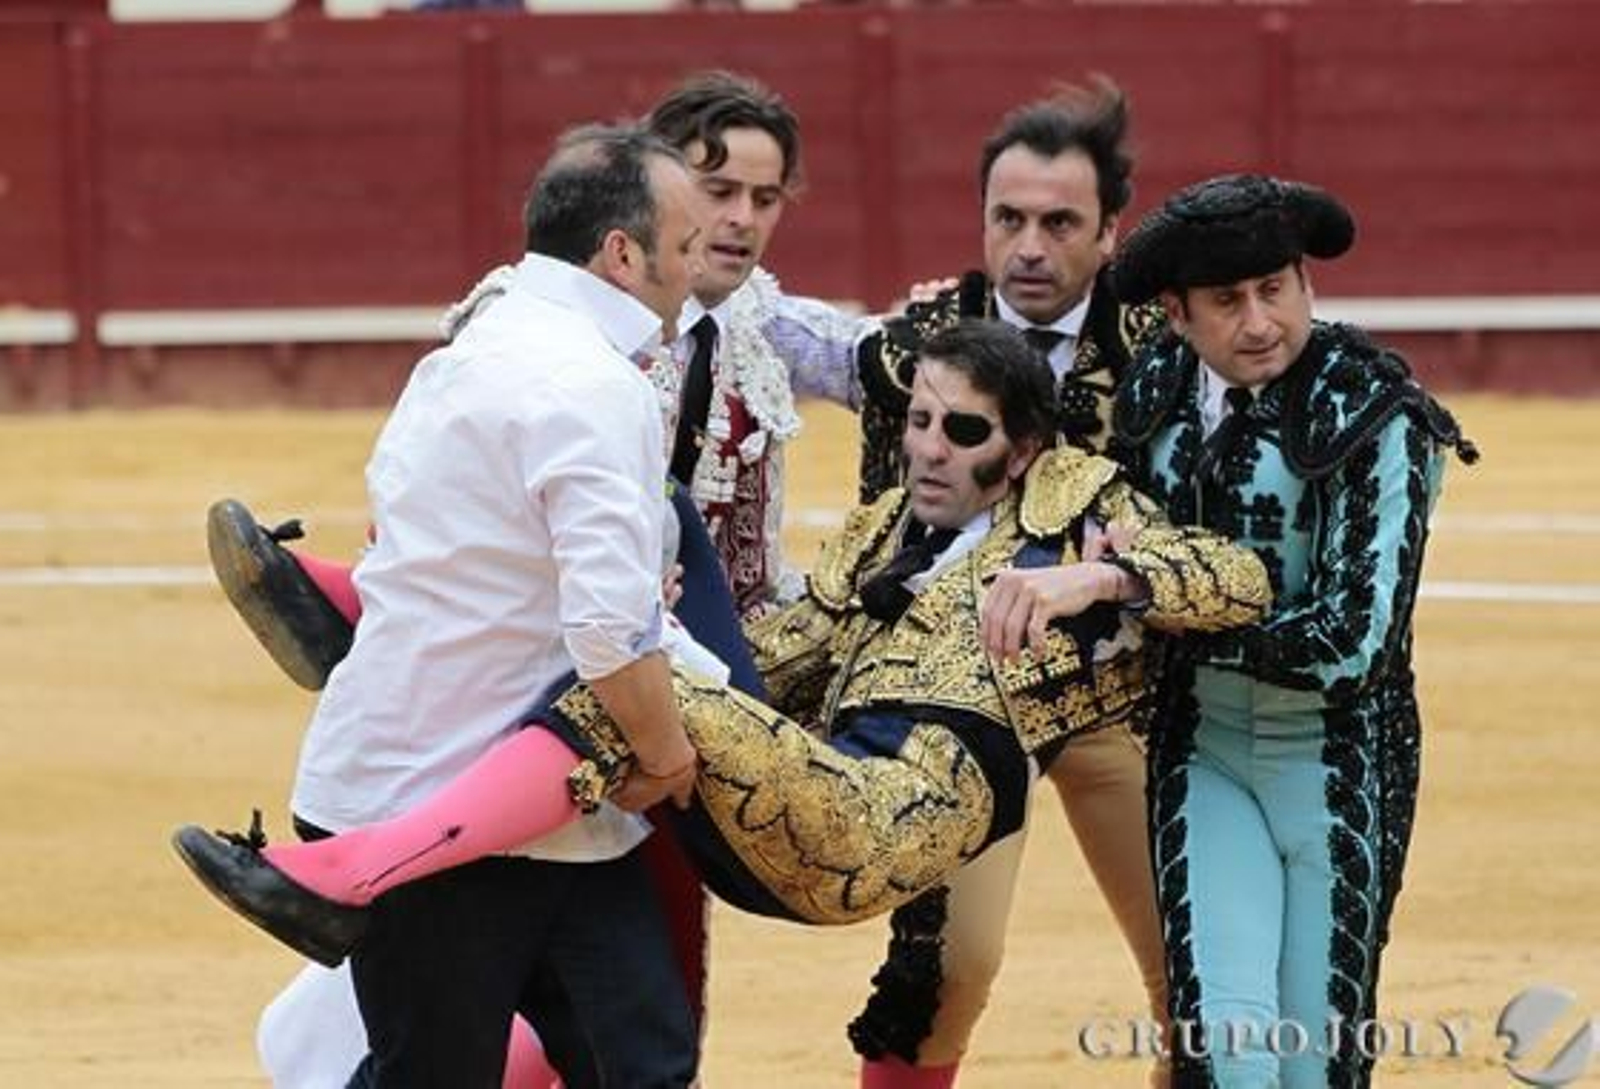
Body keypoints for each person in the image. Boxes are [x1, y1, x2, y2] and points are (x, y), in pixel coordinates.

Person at [174, 321, 1271, 1027]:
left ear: (1023, 448)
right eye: (921, 420)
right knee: (633, 599)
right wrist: (656, 637)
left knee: (638, 674)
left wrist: (1104, 582)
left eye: (963, 430)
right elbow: (781, 657)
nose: (930, 447)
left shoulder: (1080, 502)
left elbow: (1238, 575)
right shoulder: (889, 524)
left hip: (893, 817)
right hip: (814, 781)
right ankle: (360, 607)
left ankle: (350, 867)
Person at [179, 123, 709, 1089]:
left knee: (622, 1061)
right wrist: (668, 753)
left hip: (465, 787)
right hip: (452, 808)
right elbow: (606, 630)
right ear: (621, 253)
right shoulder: (594, 385)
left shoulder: (474, 345)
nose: (692, 269)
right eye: (683, 246)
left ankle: (320, 590)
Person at [1100, 173, 1478, 1087]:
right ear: (1178, 314)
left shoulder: (1372, 406)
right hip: (1207, 750)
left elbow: (1358, 639)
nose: (1259, 320)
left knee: (1313, 1064)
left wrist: (1157, 609)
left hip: (1339, 759)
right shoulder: (1152, 390)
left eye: (1276, 289)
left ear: (1307, 284)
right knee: (1229, 1051)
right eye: (1227, 301)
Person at [843, 78, 1174, 1089]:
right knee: (951, 964)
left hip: (1120, 694)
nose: (1029, 245)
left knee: (1195, 960)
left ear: (1109, 231)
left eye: (1059, 222)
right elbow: (887, 529)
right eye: (1008, 218)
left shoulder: (1162, 348)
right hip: (966, 699)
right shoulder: (911, 351)